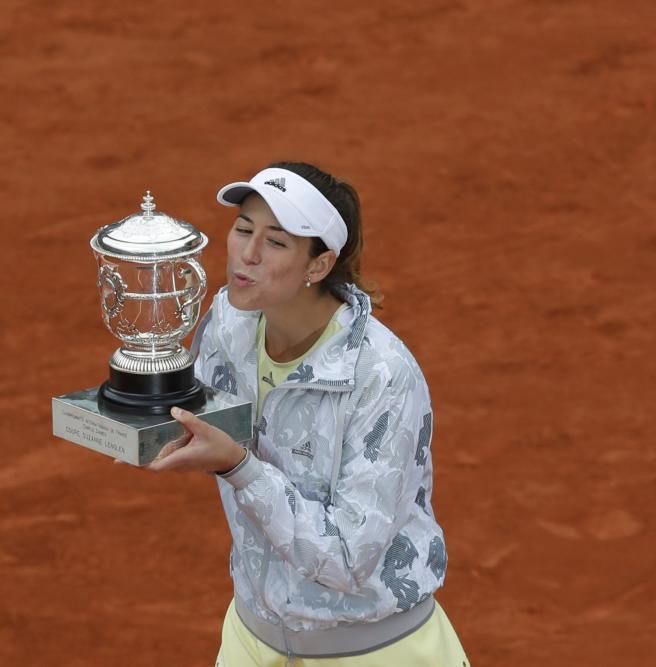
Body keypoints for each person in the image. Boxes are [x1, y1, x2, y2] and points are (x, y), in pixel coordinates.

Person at [143, 161, 470, 667]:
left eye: (275, 242)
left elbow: (346, 559)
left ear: (318, 266)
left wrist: (237, 466)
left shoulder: (382, 375)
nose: (246, 254)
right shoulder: (229, 322)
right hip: (251, 642)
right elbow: (198, 414)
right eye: (243, 229)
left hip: (375, 653)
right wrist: (144, 426)